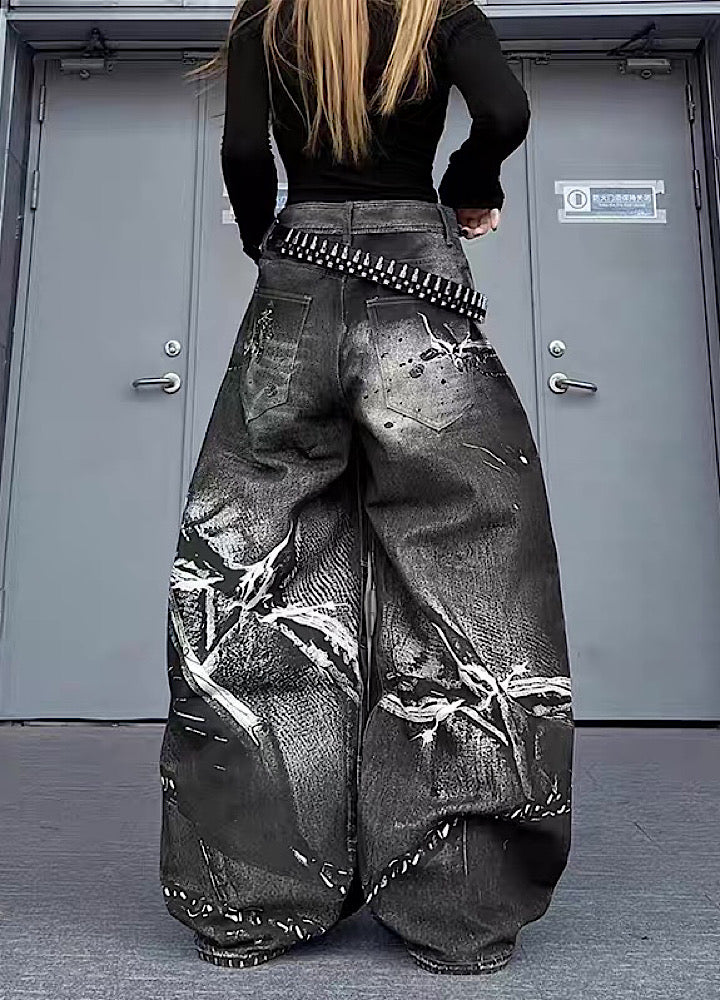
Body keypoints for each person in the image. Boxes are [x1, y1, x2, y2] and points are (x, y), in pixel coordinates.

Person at [158, 0, 575, 976]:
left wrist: (268, 245)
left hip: (298, 271)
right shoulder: (440, 11)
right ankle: (459, 914)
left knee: (255, 580)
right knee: (470, 576)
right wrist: (469, 181)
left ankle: (249, 905)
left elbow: (242, 152)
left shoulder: (271, 14)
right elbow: (504, 111)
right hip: (416, 270)